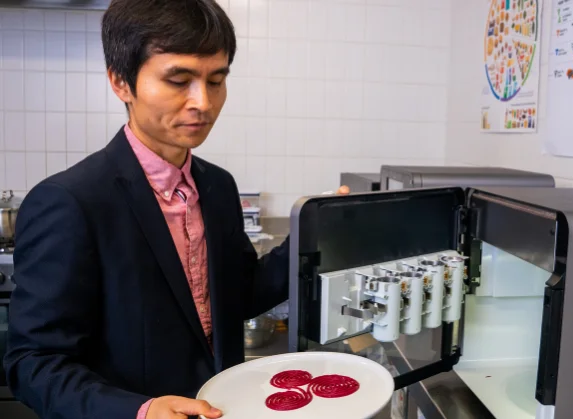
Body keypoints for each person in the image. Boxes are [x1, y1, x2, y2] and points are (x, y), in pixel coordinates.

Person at [3, 1, 347, 418]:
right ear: (120, 82)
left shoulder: (218, 186)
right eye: (179, 80)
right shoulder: (71, 201)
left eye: (216, 81)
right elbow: (32, 364)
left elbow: (237, 296)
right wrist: (140, 411)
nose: (202, 102)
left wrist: (315, 232)